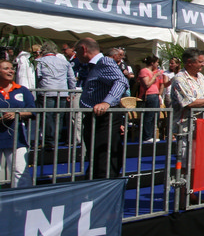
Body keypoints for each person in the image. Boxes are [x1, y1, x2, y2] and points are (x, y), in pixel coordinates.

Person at [74, 38, 128, 180]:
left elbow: (121, 81)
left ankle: (104, 186)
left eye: (76, 51)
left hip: (103, 118)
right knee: (96, 156)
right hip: (96, 118)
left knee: (103, 158)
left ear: (83, 49)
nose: (76, 55)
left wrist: (107, 102)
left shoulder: (104, 62)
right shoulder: (94, 65)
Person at [0, 59, 35, 187]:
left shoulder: (22, 90)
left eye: (12, 68)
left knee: (20, 172)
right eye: (6, 68)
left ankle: (24, 200)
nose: (11, 71)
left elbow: (32, 110)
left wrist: (17, 114)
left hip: (16, 137)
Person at [35, 43, 76, 149]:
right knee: (59, 116)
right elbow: (71, 78)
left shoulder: (40, 61)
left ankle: (49, 140)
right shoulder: (65, 62)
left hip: (46, 91)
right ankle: (56, 138)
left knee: (47, 116)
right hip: (62, 92)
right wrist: (71, 92)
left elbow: (38, 76)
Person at [138, 55, 165, 142]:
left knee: (155, 116)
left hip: (155, 95)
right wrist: (155, 76)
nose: (157, 64)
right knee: (149, 116)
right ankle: (147, 136)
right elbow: (147, 84)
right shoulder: (144, 71)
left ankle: (152, 135)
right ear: (152, 63)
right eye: (157, 62)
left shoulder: (151, 72)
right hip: (149, 95)